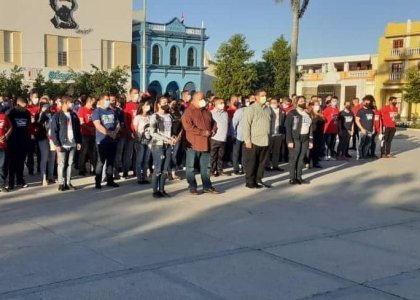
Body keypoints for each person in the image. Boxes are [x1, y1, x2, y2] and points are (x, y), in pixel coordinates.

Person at [181, 92, 218, 195]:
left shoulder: (206, 111)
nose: (203, 100)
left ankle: (207, 186)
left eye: (204, 98)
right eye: (201, 99)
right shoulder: (188, 112)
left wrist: (214, 129)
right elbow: (188, 127)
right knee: (191, 168)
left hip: (206, 144)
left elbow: (214, 123)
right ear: (193, 101)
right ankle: (192, 186)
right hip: (193, 145)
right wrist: (203, 132)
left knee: (206, 168)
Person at [50, 96, 82, 191]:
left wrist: (78, 141)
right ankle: (61, 183)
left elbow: (78, 130)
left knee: (70, 164)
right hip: (62, 144)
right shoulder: (57, 116)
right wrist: (57, 144)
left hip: (72, 144)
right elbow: (53, 131)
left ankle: (68, 182)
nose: (71, 104)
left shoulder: (74, 115)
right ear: (64, 103)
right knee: (61, 164)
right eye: (70, 102)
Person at [242, 89, 272, 189]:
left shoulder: (268, 109)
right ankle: (250, 181)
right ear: (256, 97)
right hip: (254, 141)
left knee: (262, 162)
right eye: (262, 95)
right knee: (252, 162)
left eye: (265, 95)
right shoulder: (250, 109)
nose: (265, 97)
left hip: (265, 140)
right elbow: (246, 126)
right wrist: (247, 140)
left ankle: (258, 179)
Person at [149, 97, 177, 198]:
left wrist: (173, 137)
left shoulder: (169, 116)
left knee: (165, 169)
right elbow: (153, 132)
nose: (166, 104)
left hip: (168, 145)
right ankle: (155, 190)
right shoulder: (154, 116)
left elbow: (171, 129)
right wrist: (166, 139)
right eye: (164, 102)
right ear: (158, 104)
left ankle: (162, 189)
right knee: (158, 168)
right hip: (158, 145)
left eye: (167, 102)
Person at [92, 94, 120, 189]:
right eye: (106, 100)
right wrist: (108, 133)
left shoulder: (112, 111)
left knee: (111, 161)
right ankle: (98, 181)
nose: (109, 101)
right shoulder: (97, 112)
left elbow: (118, 123)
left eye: (109, 99)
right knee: (101, 162)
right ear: (101, 101)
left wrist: (115, 132)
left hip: (112, 140)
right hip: (102, 140)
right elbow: (98, 125)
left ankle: (110, 180)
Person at [286, 96, 313, 185]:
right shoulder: (292, 113)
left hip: (305, 138)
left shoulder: (307, 114)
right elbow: (288, 127)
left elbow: (310, 127)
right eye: (301, 101)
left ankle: (299, 177)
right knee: (294, 158)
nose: (303, 102)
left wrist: (310, 140)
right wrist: (289, 140)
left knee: (301, 159)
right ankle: (292, 177)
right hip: (295, 138)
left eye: (304, 101)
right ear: (296, 103)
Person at [6, 97, 31, 190]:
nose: (25, 108)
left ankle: (20, 180)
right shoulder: (10, 113)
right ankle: (11, 182)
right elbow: (6, 126)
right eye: (24, 106)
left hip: (24, 141)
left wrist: (28, 139)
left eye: (26, 106)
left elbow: (28, 126)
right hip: (12, 141)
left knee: (21, 162)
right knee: (12, 163)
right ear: (18, 104)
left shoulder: (27, 113)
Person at [119, 89, 140, 179]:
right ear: (131, 94)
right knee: (128, 153)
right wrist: (129, 132)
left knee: (137, 153)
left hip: (139, 133)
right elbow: (125, 120)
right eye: (135, 93)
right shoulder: (127, 105)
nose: (137, 95)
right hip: (130, 133)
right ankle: (125, 172)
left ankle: (136, 170)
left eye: (138, 93)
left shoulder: (140, 105)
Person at [34, 98, 54, 186]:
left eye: (47, 104)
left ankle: (51, 176)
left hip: (53, 139)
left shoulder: (53, 114)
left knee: (52, 158)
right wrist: (42, 113)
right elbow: (37, 125)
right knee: (44, 158)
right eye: (43, 105)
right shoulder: (38, 115)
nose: (46, 106)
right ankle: (43, 178)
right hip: (43, 138)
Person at [133, 99, 152, 184]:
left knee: (146, 160)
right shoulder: (137, 117)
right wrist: (137, 140)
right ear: (142, 106)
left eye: (149, 105)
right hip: (140, 141)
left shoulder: (150, 116)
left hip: (149, 141)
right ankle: (139, 178)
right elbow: (135, 130)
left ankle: (145, 177)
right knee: (139, 160)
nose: (148, 106)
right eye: (146, 105)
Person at [78, 96, 97, 176]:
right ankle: (81, 169)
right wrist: (90, 129)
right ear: (88, 102)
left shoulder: (93, 111)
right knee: (83, 152)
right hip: (85, 134)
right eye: (92, 102)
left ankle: (94, 168)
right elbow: (82, 122)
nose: (93, 104)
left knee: (93, 152)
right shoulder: (82, 110)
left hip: (93, 134)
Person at [210, 98, 229, 177]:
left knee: (221, 156)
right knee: (213, 156)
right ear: (215, 104)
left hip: (223, 138)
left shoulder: (225, 113)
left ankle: (219, 170)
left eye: (223, 102)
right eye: (221, 103)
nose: (223, 104)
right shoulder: (211, 113)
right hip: (214, 138)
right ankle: (211, 171)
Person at [267, 98, 285, 171]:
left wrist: (283, 133)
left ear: (278, 103)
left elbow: (283, 123)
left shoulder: (282, 111)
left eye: (275, 102)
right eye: (272, 102)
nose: (273, 104)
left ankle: (275, 165)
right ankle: (267, 165)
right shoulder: (267, 110)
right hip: (270, 133)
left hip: (279, 134)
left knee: (276, 151)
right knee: (268, 151)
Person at [355, 95, 375, 160]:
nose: (368, 103)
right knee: (361, 144)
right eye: (366, 101)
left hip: (370, 130)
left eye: (369, 101)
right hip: (362, 130)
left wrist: (373, 128)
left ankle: (365, 155)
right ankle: (360, 156)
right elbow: (357, 120)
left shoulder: (371, 111)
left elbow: (372, 120)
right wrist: (361, 128)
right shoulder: (360, 111)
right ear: (363, 102)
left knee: (368, 144)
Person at [168, 99, 183, 180]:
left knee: (174, 155)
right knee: (168, 155)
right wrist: (170, 137)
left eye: (175, 103)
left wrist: (179, 136)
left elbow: (182, 126)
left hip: (177, 137)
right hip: (169, 137)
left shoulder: (179, 114)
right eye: (172, 103)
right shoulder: (167, 114)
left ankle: (173, 173)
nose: (174, 104)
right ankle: (168, 172)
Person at [322, 96, 339, 160]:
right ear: (331, 102)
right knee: (327, 143)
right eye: (333, 101)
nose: (334, 102)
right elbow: (323, 118)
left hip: (334, 129)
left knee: (333, 143)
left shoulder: (337, 109)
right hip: (328, 129)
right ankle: (326, 155)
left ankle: (331, 155)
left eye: (335, 101)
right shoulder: (327, 109)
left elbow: (337, 119)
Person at [232, 99, 246, 175]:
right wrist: (234, 134)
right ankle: (237, 168)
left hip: (243, 136)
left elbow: (234, 123)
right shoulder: (240, 111)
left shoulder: (243, 111)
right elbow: (234, 124)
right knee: (238, 153)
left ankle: (240, 168)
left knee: (241, 153)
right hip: (239, 136)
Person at [0, 104, 12, 192]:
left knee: (2, 165)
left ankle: (2, 184)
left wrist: (6, 135)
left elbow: (10, 127)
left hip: (2, 144)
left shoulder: (4, 116)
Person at [309, 100, 325, 168]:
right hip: (312, 133)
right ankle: (308, 162)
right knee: (311, 149)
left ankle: (316, 162)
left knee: (317, 148)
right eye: (316, 105)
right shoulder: (310, 114)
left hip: (320, 133)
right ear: (312, 106)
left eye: (318, 105)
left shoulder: (321, 113)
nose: (317, 106)